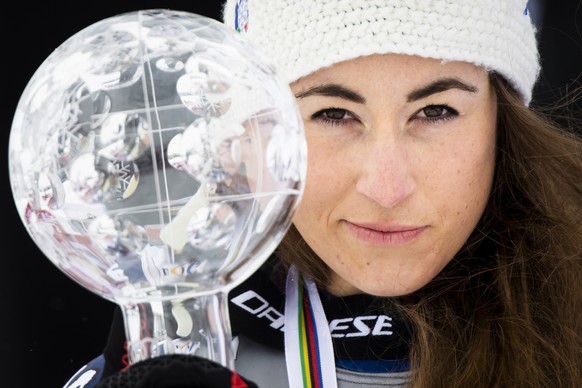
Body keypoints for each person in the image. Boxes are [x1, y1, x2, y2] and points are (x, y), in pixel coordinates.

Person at [65, 0, 582, 387]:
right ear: (256, 129)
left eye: (435, 112)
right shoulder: (176, 326)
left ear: (502, 117)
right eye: (333, 114)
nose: (387, 188)